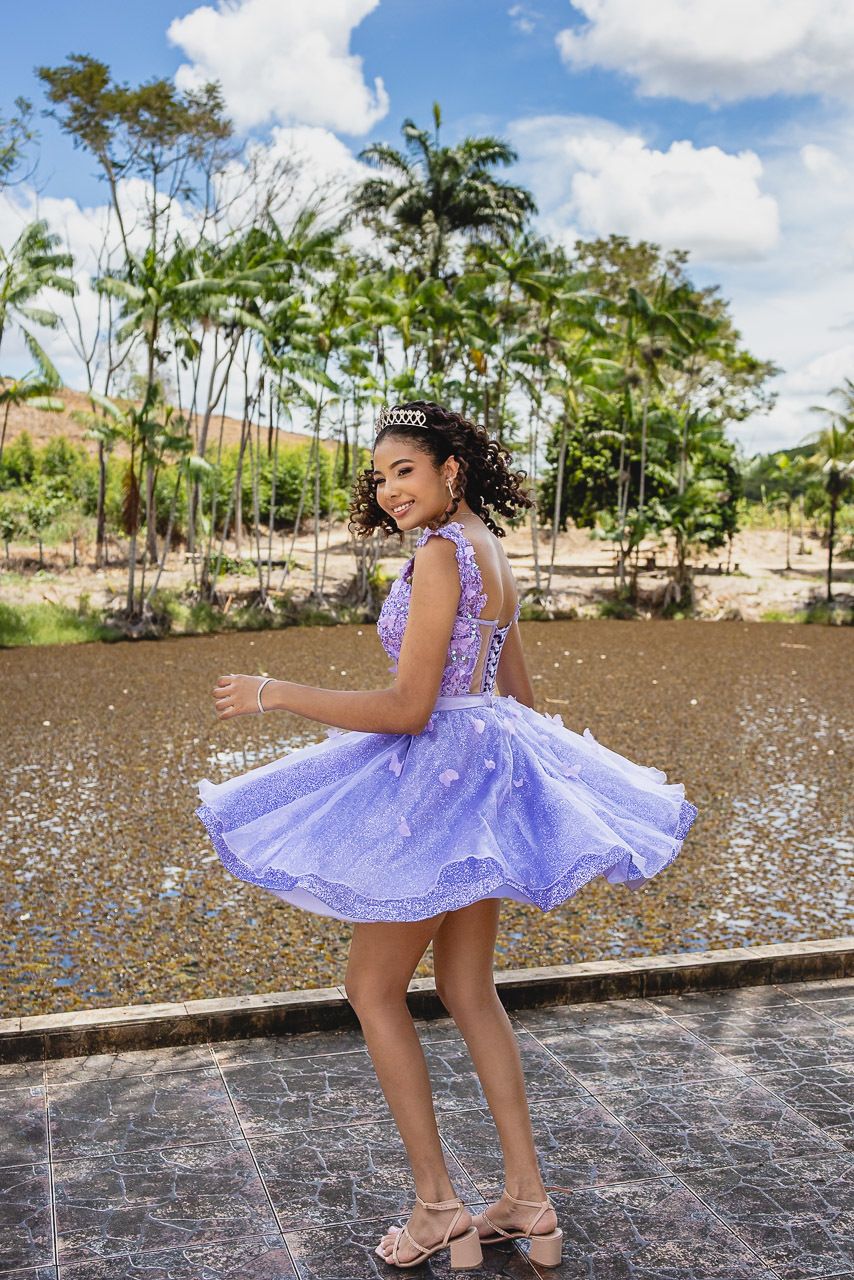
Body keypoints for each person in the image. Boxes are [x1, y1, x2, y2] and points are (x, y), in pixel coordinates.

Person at [197, 401, 697, 1270]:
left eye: (405, 470)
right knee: (469, 990)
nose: (390, 489)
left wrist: (275, 691)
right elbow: (517, 701)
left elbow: (409, 708)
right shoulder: (489, 550)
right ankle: (528, 1203)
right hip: (479, 786)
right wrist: (508, 798)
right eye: (381, 475)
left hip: (434, 789)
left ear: (450, 470)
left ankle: (439, 1209)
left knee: (371, 988)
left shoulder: (438, 556)